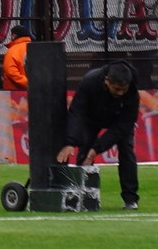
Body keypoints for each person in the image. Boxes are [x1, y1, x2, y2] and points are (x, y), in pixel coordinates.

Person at [58, 61, 140, 209]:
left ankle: (130, 199)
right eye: (117, 89)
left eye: (124, 89)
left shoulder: (133, 92)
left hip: (119, 121)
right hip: (92, 118)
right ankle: (82, 197)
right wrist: (71, 142)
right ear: (106, 81)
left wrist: (96, 150)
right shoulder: (89, 82)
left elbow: (122, 127)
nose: (121, 93)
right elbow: (77, 112)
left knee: (127, 152)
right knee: (84, 153)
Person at [1, 23, 31, 89]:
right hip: (36, 91)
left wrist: (27, 83)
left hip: (15, 92)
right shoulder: (35, 48)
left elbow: (11, 72)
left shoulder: (12, 51)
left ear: (14, 36)